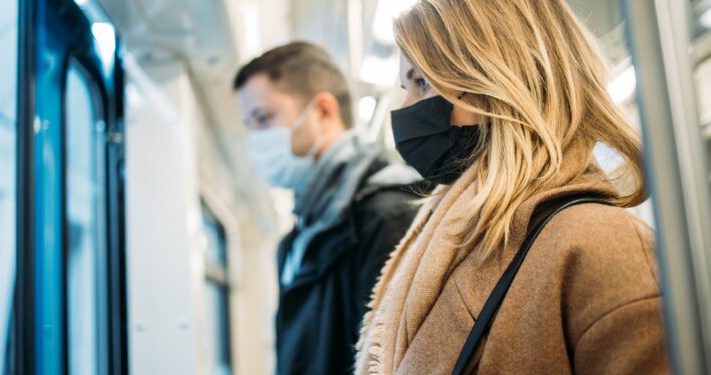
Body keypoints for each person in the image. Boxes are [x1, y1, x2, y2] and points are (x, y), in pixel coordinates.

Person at [355, 1, 669, 374]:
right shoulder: (456, 238)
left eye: (421, 82)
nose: (405, 107)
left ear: (499, 79)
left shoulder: (601, 245)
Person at [233, 41, 422, 375]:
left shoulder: (388, 217)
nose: (255, 139)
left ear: (322, 111)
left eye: (263, 118)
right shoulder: (297, 240)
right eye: (249, 125)